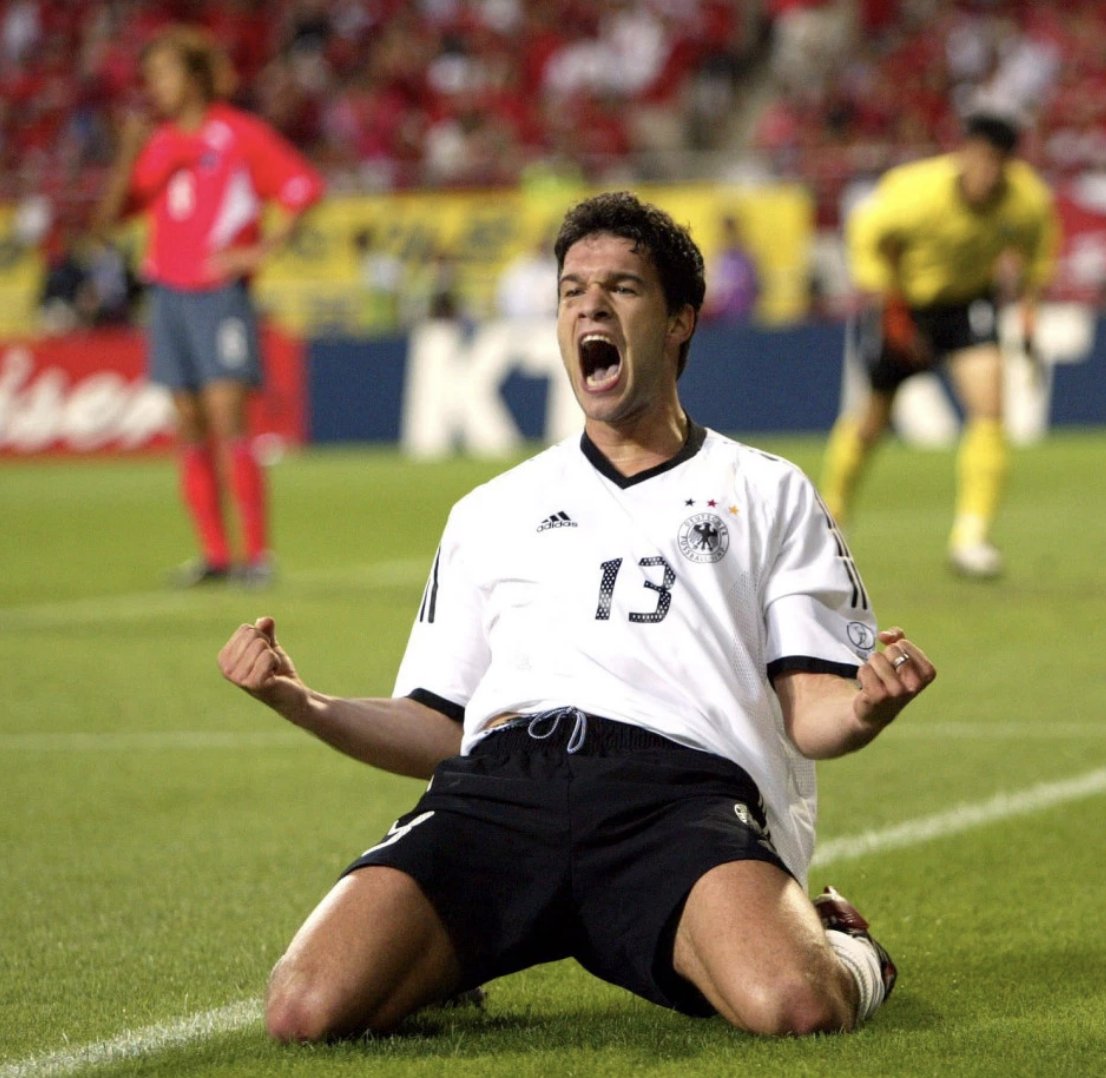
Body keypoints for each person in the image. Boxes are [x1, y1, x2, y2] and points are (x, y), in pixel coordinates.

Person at [219, 191, 936, 1042]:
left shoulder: (768, 490)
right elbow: (437, 725)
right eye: (571, 291)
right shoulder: (491, 508)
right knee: (303, 1011)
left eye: (621, 288)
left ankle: (848, 945)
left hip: (677, 795)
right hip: (503, 788)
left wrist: (865, 706)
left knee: (797, 1005)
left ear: (679, 320)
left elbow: (811, 713)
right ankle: (448, 958)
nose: (590, 306)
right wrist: (304, 702)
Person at [92, 25, 325, 587]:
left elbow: (302, 188)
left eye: (163, 73)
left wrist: (259, 251)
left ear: (194, 77)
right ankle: (216, 556)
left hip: (219, 296)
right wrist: (127, 154)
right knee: (191, 426)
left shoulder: (239, 135)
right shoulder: (157, 144)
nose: (155, 85)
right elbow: (108, 221)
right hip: (167, 294)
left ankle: (257, 555)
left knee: (228, 418)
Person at [819, 109, 1059, 578]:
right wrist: (890, 308)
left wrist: (1029, 316)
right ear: (964, 154)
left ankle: (971, 537)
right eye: (982, 159)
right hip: (905, 305)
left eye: (999, 163)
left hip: (967, 306)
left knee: (990, 410)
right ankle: (831, 516)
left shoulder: (1027, 200)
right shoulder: (916, 191)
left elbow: (1036, 256)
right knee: (872, 421)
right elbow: (868, 236)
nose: (989, 174)